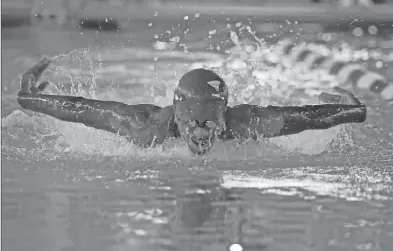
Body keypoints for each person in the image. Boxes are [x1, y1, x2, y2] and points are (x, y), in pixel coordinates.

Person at [17, 57, 367, 155]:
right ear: (178, 115)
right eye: (192, 123)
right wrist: (28, 99)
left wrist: (353, 111)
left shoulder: (246, 122)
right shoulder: (142, 124)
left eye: (209, 123)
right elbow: (78, 108)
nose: (200, 133)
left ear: (223, 114)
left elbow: (307, 118)